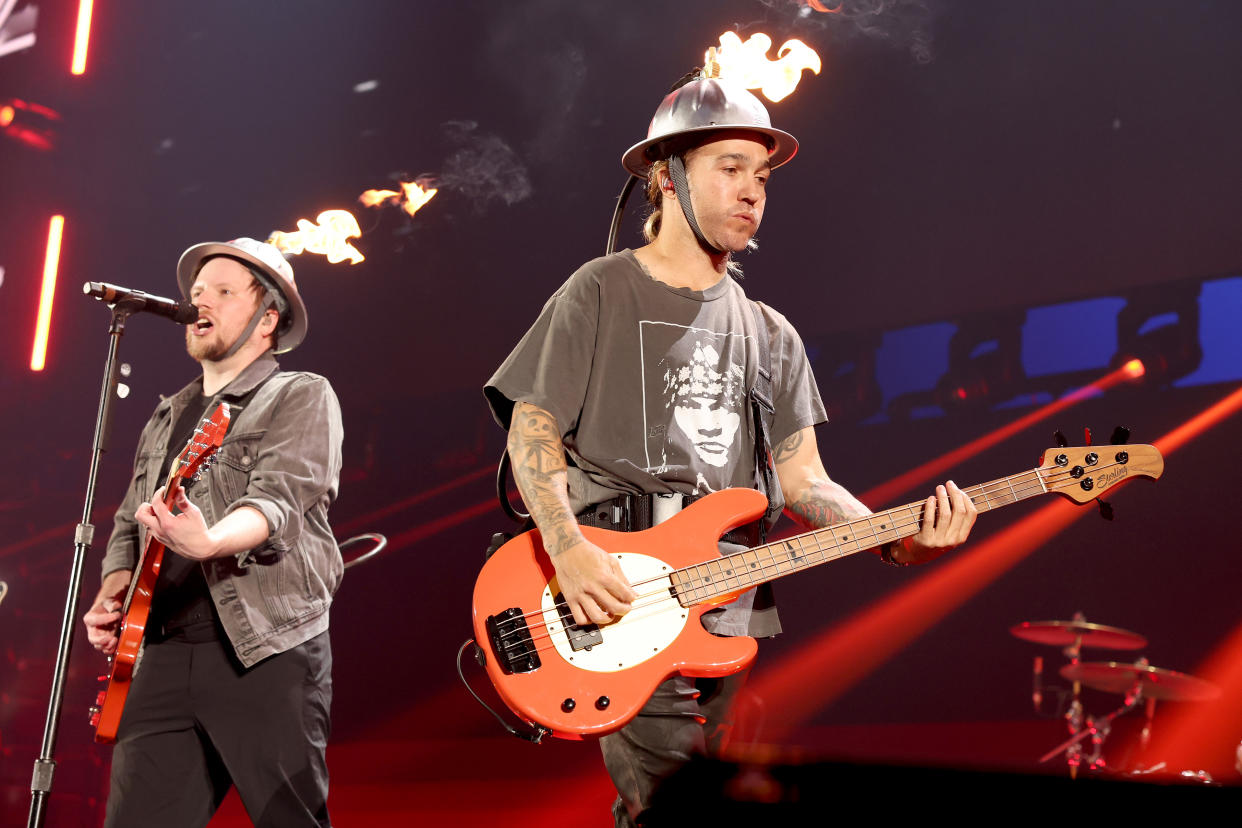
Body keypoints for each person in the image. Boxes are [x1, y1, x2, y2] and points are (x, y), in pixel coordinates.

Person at [484, 73, 978, 827]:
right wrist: (570, 547)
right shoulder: (600, 290)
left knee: (679, 801)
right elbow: (534, 428)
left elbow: (804, 478)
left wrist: (894, 540)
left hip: (729, 599)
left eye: (762, 175)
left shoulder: (770, 333)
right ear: (666, 177)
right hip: (615, 589)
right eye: (729, 167)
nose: (752, 191)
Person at [82, 237, 344, 827]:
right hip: (162, 653)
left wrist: (211, 541)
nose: (200, 302)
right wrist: (115, 587)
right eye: (197, 292)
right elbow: (129, 521)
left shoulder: (300, 394)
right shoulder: (167, 414)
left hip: (263, 650)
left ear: (267, 317)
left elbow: (280, 501)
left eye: (224, 292)